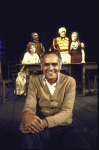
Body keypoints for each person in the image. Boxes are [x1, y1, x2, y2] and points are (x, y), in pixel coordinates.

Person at [19, 51, 92, 149]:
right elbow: (29, 106)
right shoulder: (35, 81)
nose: (50, 68)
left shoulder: (69, 82)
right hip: (39, 125)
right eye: (46, 64)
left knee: (81, 145)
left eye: (54, 64)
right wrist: (26, 117)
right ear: (41, 67)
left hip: (64, 127)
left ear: (60, 66)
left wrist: (44, 123)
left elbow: (67, 111)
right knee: (28, 140)